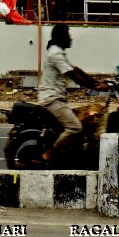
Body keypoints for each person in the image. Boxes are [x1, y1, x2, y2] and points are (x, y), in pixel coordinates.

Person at [37, 23, 95, 162]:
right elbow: (73, 75)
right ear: (62, 37)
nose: (71, 39)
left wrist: (96, 82)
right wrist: (96, 87)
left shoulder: (59, 52)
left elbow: (75, 70)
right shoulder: (56, 53)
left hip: (56, 99)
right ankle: (51, 153)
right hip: (51, 100)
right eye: (68, 35)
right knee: (75, 127)